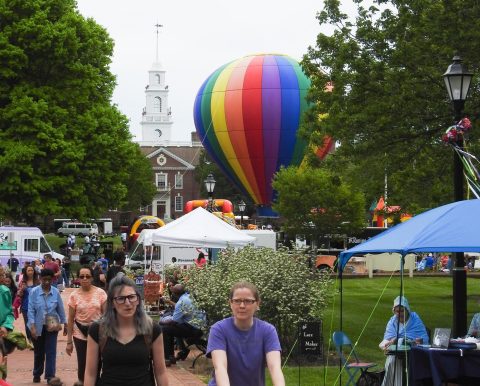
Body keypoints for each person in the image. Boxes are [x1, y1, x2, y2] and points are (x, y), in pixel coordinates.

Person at [83, 275, 169, 386]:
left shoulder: (152, 330)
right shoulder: (97, 330)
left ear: (138, 300)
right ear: (112, 303)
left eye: (132, 297)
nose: (128, 303)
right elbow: (90, 373)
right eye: (121, 298)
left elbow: (161, 372)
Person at [206, 281, 285, 386]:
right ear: (230, 303)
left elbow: (275, 367)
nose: (242, 305)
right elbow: (220, 367)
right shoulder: (218, 329)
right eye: (237, 301)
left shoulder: (268, 330)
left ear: (257, 304)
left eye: (248, 301)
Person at [66, 266, 107, 385]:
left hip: (97, 333)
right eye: (82, 276)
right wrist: (69, 342)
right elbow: (70, 319)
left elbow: (106, 315)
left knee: (97, 362)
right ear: (78, 278)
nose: (84, 279)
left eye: (87, 276)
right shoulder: (74, 295)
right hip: (79, 334)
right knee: (83, 363)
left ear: (92, 278)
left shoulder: (101, 293)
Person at [27, 269, 67, 383]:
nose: (47, 282)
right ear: (40, 279)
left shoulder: (56, 292)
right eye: (44, 279)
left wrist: (65, 323)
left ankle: (50, 376)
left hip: (52, 325)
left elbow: (60, 308)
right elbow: (30, 310)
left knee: (51, 351)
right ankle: (37, 373)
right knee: (39, 352)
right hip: (38, 325)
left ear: (52, 280)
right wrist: (32, 327)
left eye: (49, 280)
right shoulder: (33, 292)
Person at [379, 296, 429, 386]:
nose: (399, 314)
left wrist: (419, 341)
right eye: (397, 311)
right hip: (395, 355)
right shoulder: (392, 322)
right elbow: (386, 339)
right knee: (391, 361)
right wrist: (388, 343)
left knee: (406, 363)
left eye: (402, 311)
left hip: (413, 354)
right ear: (394, 311)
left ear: (407, 310)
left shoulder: (415, 320)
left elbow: (424, 339)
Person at [160, 284, 206, 366]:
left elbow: (174, 320)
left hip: (194, 329)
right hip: (201, 326)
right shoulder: (190, 297)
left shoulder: (181, 302)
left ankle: (167, 358)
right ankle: (177, 353)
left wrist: (162, 321)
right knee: (174, 328)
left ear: (174, 294)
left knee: (165, 329)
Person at [17, 265, 39, 344]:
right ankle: (30, 340)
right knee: (28, 323)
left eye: (32, 270)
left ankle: (36, 338)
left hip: (36, 306)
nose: (30, 272)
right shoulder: (23, 282)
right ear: (25, 272)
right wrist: (21, 290)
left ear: (34, 271)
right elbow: (18, 294)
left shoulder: (38, 281)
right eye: (29, 270)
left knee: (36, 322)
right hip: (25, 306)